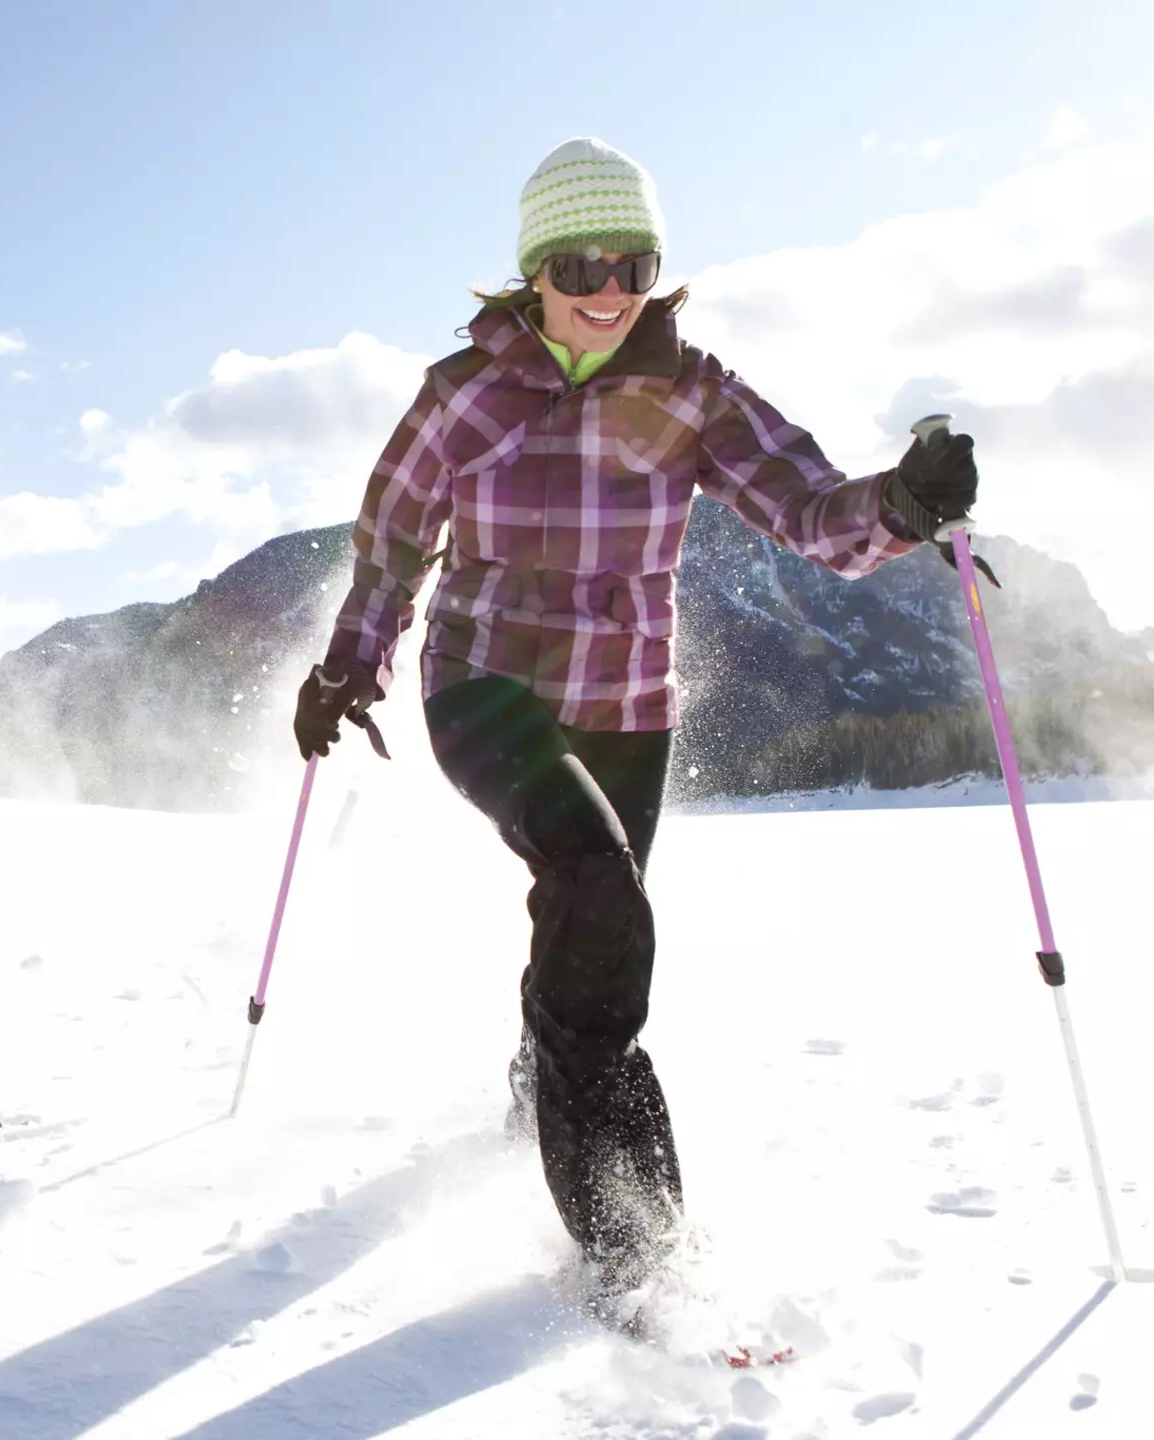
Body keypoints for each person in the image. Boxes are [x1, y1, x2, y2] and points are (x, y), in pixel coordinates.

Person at [293, 139, 977, 1298]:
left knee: (584, 925)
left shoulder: (690, 387)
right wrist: (347, 666)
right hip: (486, 681)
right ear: (530, 271)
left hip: (626, 703)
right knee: (599, 895)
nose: (609, 289)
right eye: (580, 263)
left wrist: (901, 505)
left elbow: (809, 511)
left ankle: (539, 1084)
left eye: (634, 262)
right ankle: (634, 1246)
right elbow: (393, 541)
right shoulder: (462, 392)